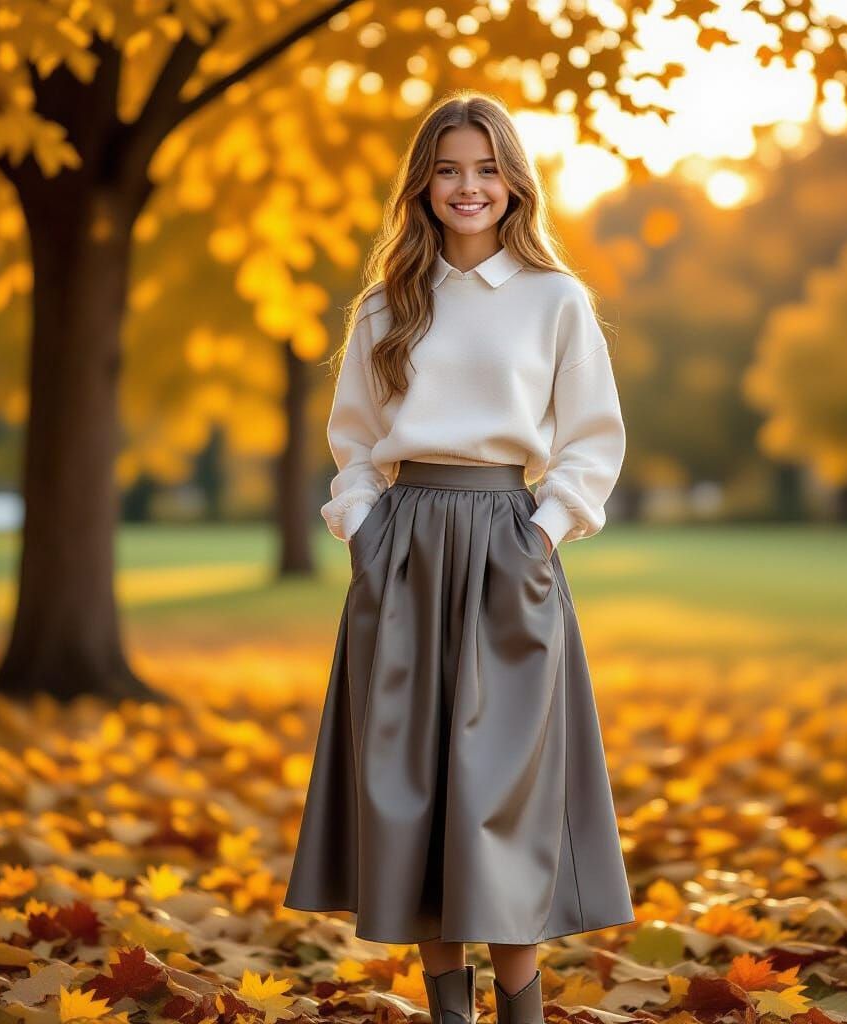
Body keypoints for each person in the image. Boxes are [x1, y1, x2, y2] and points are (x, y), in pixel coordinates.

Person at [283, 91, 634, 1024]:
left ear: (514, 182)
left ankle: (521, 1010)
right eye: (448, 168)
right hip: (401, 553)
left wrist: (544, 533)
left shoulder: (555, 300)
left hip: (508, 548)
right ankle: (450, 1013)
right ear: (423, 185)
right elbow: (354, 441)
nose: (467, 186)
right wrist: (362, 528)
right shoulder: (386, 306)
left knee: (500, 791)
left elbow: (594, 440)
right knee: (416, 791)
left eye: (486, 168)